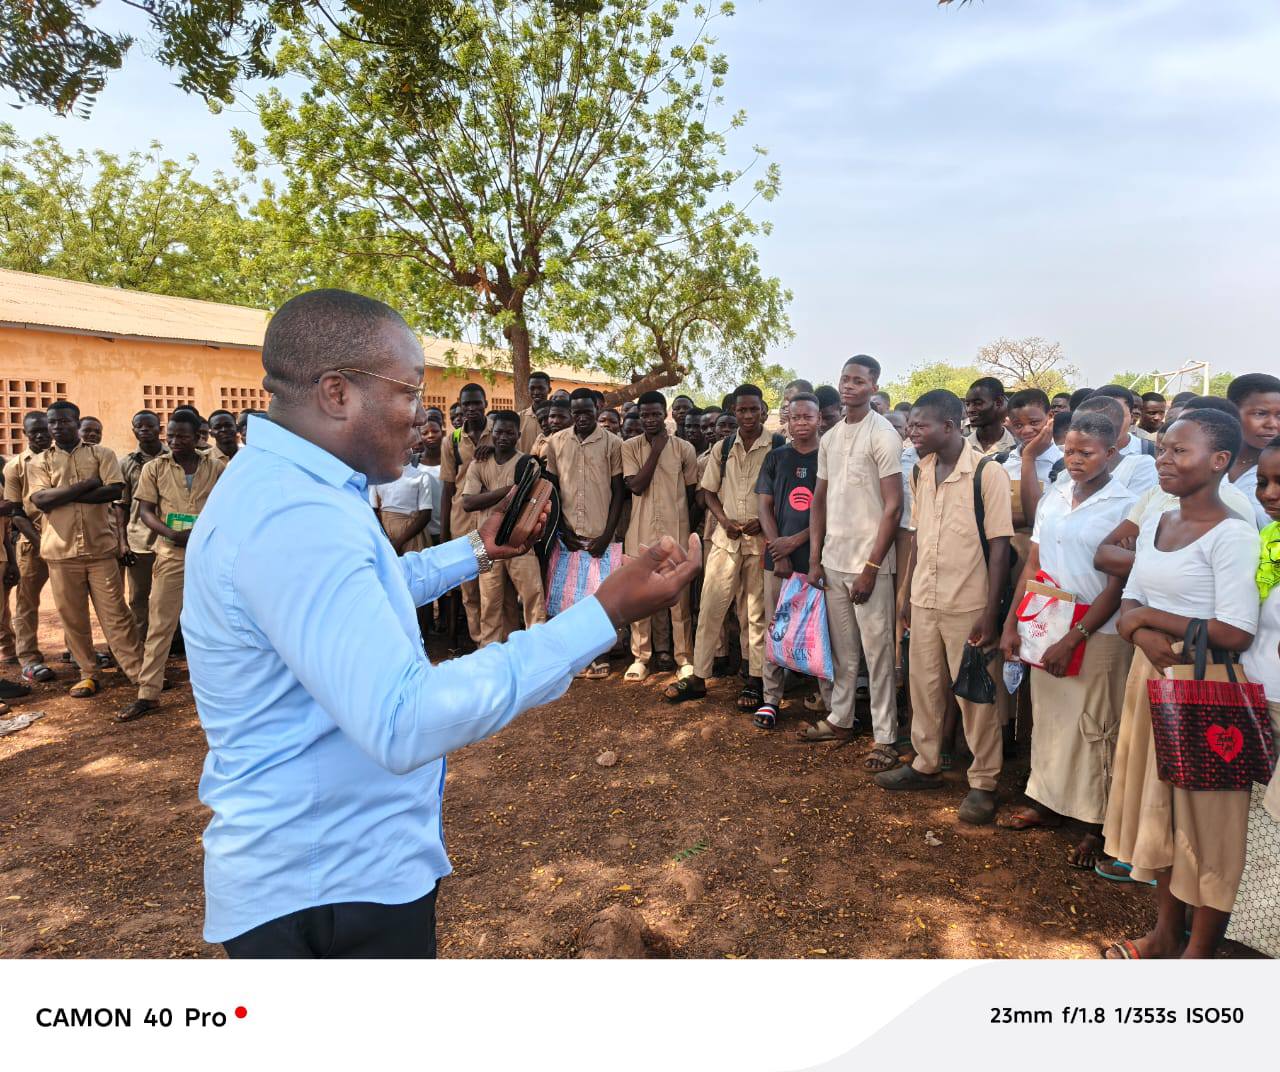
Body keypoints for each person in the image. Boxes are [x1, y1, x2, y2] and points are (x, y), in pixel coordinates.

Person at [181, 288, 700, 958]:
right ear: (337, 393)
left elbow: (364, 597)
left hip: (338, 872)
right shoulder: (293, 514)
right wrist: (603, 613)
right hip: (326, 890)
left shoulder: (296, 491)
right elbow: (404, 718)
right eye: (409, 391)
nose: (425, 417)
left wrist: (478, 549)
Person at [1102, 409, 1259, 959]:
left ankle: (1200, 952)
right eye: (1163, 449)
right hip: (1153, 677)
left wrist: (1147, 622)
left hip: (1204, 688)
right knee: (1162, 815)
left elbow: (1235, 630)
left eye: (1179, 451)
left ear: (1219, 461)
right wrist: (1140, 630)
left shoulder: (1233, 535)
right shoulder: (1159, 522)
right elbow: (1132, 595)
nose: (1163, 460)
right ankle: (1166, 934)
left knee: (1206, 826)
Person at [998, 411, 1136, 869]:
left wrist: (1076, 638)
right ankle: (1048, 800)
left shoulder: (1126, 505)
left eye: (1086, 453)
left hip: (1099, 632)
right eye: (1070, 451)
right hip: (1048, 623)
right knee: (1052, 720)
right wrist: (1012, 623)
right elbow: (1034, 564)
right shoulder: (1055, 496)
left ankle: (1098, 823)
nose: (1075, 460)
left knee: (1096, 726)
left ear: (1111, 453)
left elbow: (1119, 585)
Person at [876, 390, 1013, 826]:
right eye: (910, 425)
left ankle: (984, 782)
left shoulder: (987, 474)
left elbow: (1000, 547)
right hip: (925, 599)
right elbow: (918, 537)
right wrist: (906, 596)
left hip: (968, 604)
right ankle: (926, 763)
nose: (911, 433)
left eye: (920, 426)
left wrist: (991, 612)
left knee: (975, 695)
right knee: (925, 687)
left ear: (950, 427)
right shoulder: (921, 470)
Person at [802, 359, 905, 770]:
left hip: (869, 566)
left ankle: (885, 736)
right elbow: (819, 500)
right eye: (845, 378)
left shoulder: (883, 434)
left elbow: (893, 507)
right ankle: (841, 718)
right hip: (833, 560)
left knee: (878, 655)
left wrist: (871, 568)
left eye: (858, 380)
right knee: (844, 652)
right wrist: (815, 559)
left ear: (874, 386)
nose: (848, 386)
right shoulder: (830, 438)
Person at [27, 400, 144, 699]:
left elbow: (113, 490)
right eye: (53, 422)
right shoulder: (39, 462)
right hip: (61, 552)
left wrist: (62, 496)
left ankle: (138, 673)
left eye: (64, 421)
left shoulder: (102, 454)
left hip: (100, 550)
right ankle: (88, 674)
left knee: (117, 615)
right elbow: (40, 500)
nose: (57, 427)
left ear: (76, 424)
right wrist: (88, 485)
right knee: (74, 618)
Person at [666, 385, 771, 708]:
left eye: (753, 409)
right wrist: (724, 520)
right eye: (742, 410)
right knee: (711, 607)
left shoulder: (777, 446)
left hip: (760, 543)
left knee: (754, 613)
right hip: (726, 541)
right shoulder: (723, 448)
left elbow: (780, 494)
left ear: (763, 411)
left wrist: (763, 521)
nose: (748, 415)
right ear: (734, 412)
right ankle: (698, 677)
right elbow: (709, 492)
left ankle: (755, 680)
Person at [117, 411, 226, 722]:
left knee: (216, 623)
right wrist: (172, 534)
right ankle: (147, 694)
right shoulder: (154, 468)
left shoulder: (215, 467)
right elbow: (146, 511)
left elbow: (226, 507)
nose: (176, 441)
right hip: (171, 553)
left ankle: (223, 689)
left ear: (197, 437)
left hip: (209, 555)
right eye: (172, 436)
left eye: (183, 436)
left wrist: (206, 533)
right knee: (160, 624)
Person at [1226, 436, 1280, 954]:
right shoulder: (1267, 541)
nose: (1269, 493)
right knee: (1262, 826)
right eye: (1263, 481)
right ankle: (1255, 936)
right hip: (1258, 698)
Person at [545, 388, 625, 678]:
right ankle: (576, 657)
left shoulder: (613, 443)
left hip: (600, 534)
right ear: (570, 412)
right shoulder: (555, 442)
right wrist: (561, 529)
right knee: (569, 601)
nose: (581, 417)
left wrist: (606, 534)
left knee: (599, 599)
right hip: (568, 534)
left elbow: (619, 492)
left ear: (597, 409)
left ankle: (600, 655)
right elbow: (551, 489)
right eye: (576, 412)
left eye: (587, 412)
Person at [752, 393, 820, 728]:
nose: (801, 423)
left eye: (808, 417)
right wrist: (777, 547)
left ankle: (829, 698)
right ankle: (770, 699)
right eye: (795, 417)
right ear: (787, 421)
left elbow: (830, 510)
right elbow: (764, 506)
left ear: (819, 419)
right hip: (777, 560)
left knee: (818, 629)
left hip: (817, 558)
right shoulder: (776, 458)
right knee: (775, 625)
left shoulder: (829, 458)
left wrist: (796, 541)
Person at [621, 392, 700, 681]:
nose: (650, 419)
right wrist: (655, 450)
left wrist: (683, 524)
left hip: (675, 533)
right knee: (640, 598)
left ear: (665, 414)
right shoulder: (629, 447)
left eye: (656, 414)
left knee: (679, 600)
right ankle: (640, 658)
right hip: (640, 533)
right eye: (645, 415)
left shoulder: (684, 448)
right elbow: (636, 486)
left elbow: (690, 493)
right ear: (639, 416)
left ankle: (684, 659)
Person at [460, 411, 548, 646]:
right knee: (490, 603)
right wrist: (512, 489)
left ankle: (537, 650)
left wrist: (486, 496)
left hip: (520, 541)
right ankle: (490, 652)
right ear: (492, 433)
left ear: (519, 434)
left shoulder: (527, 463)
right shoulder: (479, 463)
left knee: (532, 599)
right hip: (484, 543)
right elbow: (468, 503)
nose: (503, 437)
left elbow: (529, 500)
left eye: (510, 433)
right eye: (498, 432)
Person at [5, 413, 56, 683]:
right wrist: (40, 542)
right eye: (34, 431)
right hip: (31, 543)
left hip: (65, 541)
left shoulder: (61, 459)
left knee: (71, 600)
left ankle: (76, 651)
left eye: (45, 430)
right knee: (27, 601)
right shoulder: (15, 467)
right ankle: (28, 658)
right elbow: (16, 512)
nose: (40, 435)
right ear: (25, 433)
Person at [439, 383, 491, 645]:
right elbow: (448, 487)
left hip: (491, 520)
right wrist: (445, 533)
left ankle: (495, 640)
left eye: (476, 403)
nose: (471, 408)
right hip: (463, 523)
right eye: (466, 404)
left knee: (492, 584)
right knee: (469, 589)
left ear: (486, 404)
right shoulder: (452, 440)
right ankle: (480, 641)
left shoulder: (498, 432)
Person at [118, 410, 168, 640]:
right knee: (139, 596)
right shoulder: (126, 463)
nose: (145, 430)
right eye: (140, 427)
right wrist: (123, 542)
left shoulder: (174, 457)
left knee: (170, 594)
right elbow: (121, 506)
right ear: (134, 431)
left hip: (170, 538)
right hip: (139, 540)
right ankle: (141, 640)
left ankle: (172, 641)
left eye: (150, 426)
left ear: (160, 429)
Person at [1003, 388, 1062, 548]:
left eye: (1034, 423)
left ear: (1050, 417)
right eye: (1018, 425)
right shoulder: (1002, 462)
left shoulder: (1064, 466)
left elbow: (1034, 518)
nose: (1027, 430)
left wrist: (1029, 457)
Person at [1226, 373, 1280, 529]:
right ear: (1232, 413)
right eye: (1260, 414)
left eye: (1279, 415)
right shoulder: (1207, 463)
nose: (1272, 424)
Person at [1072, 395, 1157, 495]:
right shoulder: (1065, 472)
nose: (1111, 422)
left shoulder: (1143, 464)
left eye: (1118, 416)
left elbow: (1135, 504)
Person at [369, 440, 433, 556]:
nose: (403, 451)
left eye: (407, 447)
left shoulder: (421, 476)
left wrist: (398, 543)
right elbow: (373, 510)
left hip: (411, 535)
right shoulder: (378, 475)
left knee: (413, 565)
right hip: (385, 535)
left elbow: (426, 515)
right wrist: (386, 539)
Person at [965, 377, 1016, 457]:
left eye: (978, 403)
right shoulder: (960, 446)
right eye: (967, 404)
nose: (970, 410)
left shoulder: (1019, 448)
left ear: (999, 402)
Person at [518, 371, 552, 452]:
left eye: (541, 388)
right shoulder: (518, 418)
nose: (536, 392)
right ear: (528, 390)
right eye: (532, 388)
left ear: (549, 390)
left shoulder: (557, 418)